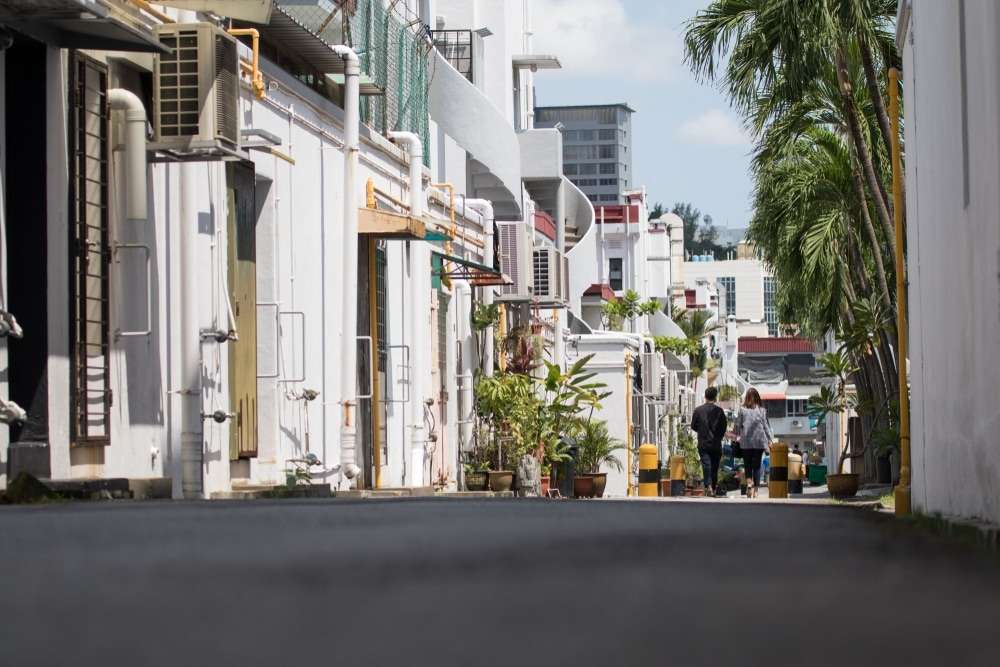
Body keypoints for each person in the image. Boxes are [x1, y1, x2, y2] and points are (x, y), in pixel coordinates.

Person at [734, 387, 773, 499]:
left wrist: (736, 434)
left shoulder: (742, 410)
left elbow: (737, 425)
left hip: (746, 442)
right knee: (756, 466)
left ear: (746, 397)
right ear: (757, 397)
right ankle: (755, 491)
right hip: (759, 442)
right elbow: (766, 426)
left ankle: (749, 483)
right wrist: (770, 440)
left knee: (747, 465)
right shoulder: (762, 410)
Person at [691, 386, 728, 496]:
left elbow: (693, 426)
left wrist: (701, 431)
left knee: (706, 464)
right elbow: (723, 427)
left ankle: (708, 486)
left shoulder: (698, 410)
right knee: (715, 466)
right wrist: (718, 436)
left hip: (703, 443)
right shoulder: (720, 411)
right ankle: (713, 487)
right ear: (715, 397)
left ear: (705, 397)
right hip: (716, 443)